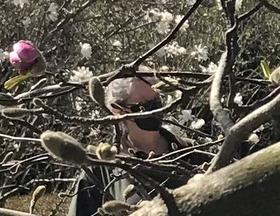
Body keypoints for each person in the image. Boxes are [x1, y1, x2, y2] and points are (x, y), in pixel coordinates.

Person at [67, 73, 209, 216]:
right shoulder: (101, 170)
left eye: (157, 100)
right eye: (143, 104)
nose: (154, 108)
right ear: (118, 110)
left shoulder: (192, 153)